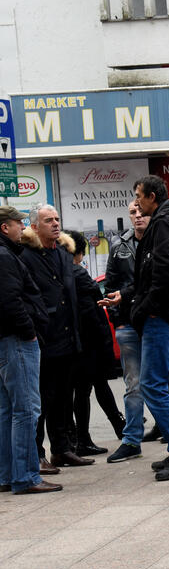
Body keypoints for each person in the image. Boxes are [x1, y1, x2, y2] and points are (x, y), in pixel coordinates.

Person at [102, 175, 169, 481]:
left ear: (153, 196)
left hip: (161, 318)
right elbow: (150, 272)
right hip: (167, 315)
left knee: (153, 387)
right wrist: (129, 295)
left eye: (139, 196)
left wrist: (145, 309)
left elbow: (165, 272)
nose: (137, 204)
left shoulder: (165, 223)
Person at [20, 205, 92, 470]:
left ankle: (61, 449)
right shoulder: (26, 254)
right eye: (48, 220)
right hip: (44, 336)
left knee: (63, 396)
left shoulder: (63, 251)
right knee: (42, 398)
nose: (55, 223)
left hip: (68, 336)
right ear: (35, 227)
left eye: (57, 219)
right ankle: (37, 453)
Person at [0, 205, 60, 495]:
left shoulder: (8, 254)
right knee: (25, 410)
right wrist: (30, 333)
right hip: (16, 340)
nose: (21, 228)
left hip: (6, 340)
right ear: (5, 227)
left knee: (7, 410)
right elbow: (11, 301)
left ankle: (8, 475)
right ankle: (26, 477)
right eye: (18, 223)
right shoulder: (5, 256)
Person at [65, 230, 125, 455]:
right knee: (85, 389)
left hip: (79, 341)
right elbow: (92, 310)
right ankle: (83, 439)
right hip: (88, 343)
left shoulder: (65, 272)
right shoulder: (78, 274)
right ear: (78, 251)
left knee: (94, 385)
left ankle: (116, 427)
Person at [104, 200, 150, 463]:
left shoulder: (160, 239)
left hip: (154, 321)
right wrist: (118, 320)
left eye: (141, 211)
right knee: (133, 385)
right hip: (128, 324)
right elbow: (110, 284)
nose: (137, 216)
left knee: (162, 383)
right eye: (133, 212)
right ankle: (132, 439)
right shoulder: (119, 245)